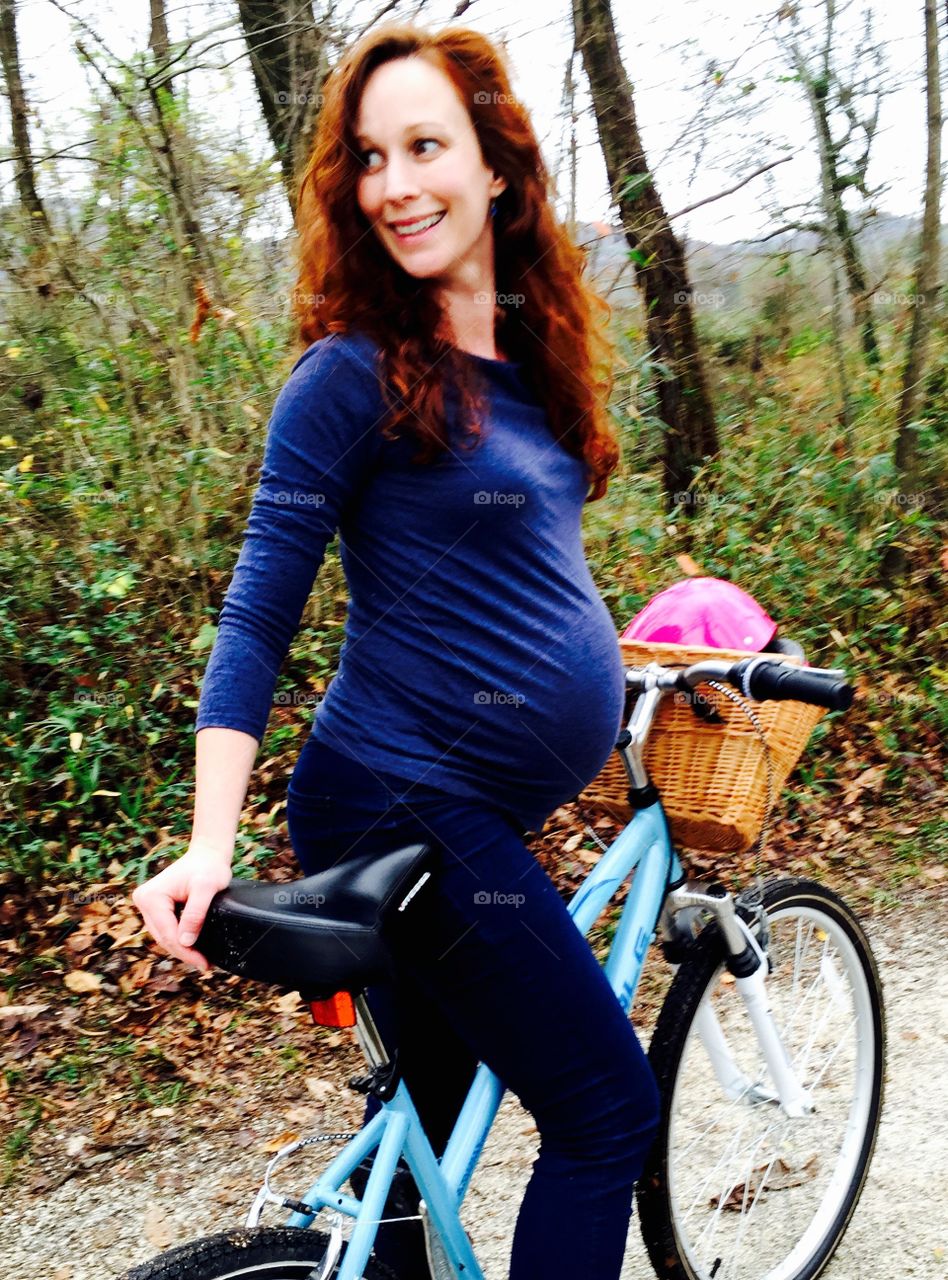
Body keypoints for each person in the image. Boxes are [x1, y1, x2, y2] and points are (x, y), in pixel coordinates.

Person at [132, 21, 660, 1280]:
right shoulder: (351, 375)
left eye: (426, 145)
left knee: (432, 1117)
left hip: (457, 803)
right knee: (606, 1113)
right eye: (371, 156)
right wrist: (212, 840)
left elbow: (524, 572)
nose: (395, 183)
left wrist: (611, 655)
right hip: (402, 805)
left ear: (497, 167)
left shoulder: (526, 364)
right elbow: (261, 607)